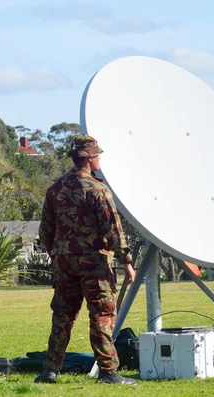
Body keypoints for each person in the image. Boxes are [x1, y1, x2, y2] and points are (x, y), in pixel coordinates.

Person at [34, 134, 137, 385]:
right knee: (102, 315)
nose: (99, 158)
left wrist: (57, 253)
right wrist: (127, 262)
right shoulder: (98, 190)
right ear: (90, 158)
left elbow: (45, 231)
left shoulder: (55, 189)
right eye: (98, 155)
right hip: (94, 264)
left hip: (64, 263)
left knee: (63, 316)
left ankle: (50, 370)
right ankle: (108, 371)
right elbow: (113, 230)